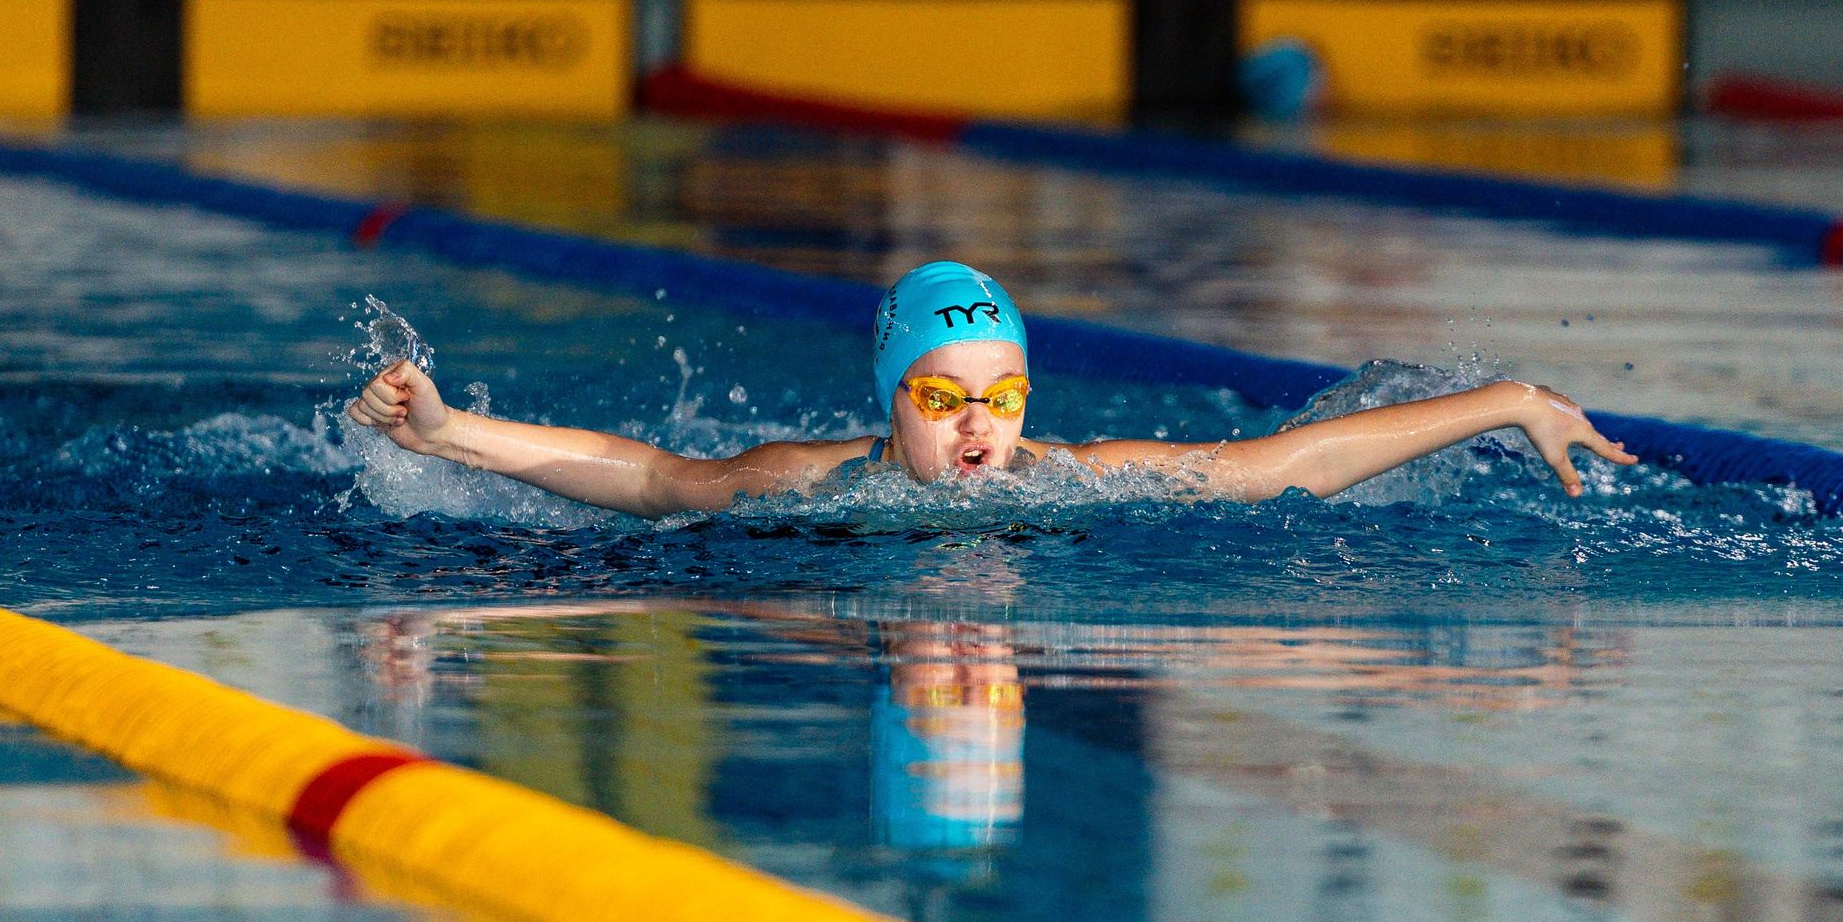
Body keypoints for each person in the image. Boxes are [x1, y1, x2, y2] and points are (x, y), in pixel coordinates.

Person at [345, 260, 1635, 517]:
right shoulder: (816, 486)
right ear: (887, 400)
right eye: (943, 398)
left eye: (1003, 398)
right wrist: (451, 433)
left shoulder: (1073, 481)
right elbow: (651, 476)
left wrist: (1509, 397)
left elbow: (1281, 463)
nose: (978, 429)